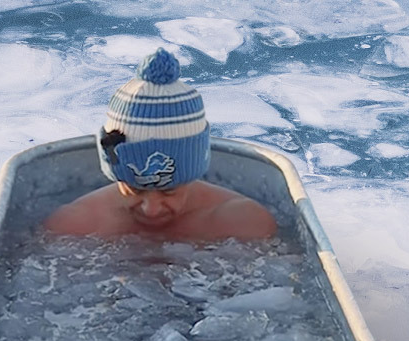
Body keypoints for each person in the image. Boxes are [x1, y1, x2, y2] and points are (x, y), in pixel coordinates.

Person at [44, 49, 277, 242]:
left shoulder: (242, 222)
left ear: (192, 173)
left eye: (169, 190)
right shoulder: (75, 225)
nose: (150, 209)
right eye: (135, 188)